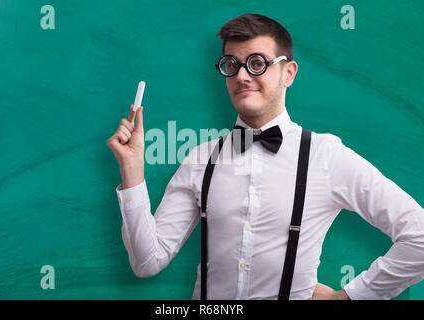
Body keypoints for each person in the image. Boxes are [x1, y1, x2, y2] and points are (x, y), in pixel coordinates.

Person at [106, 13, 424, 300]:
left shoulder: (325, 156)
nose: (242, 76)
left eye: (257, 63)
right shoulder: (201, 159)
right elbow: (148, 262)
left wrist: (349, 297)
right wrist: (132, 171)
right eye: (231, 64)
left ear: (288, 73)